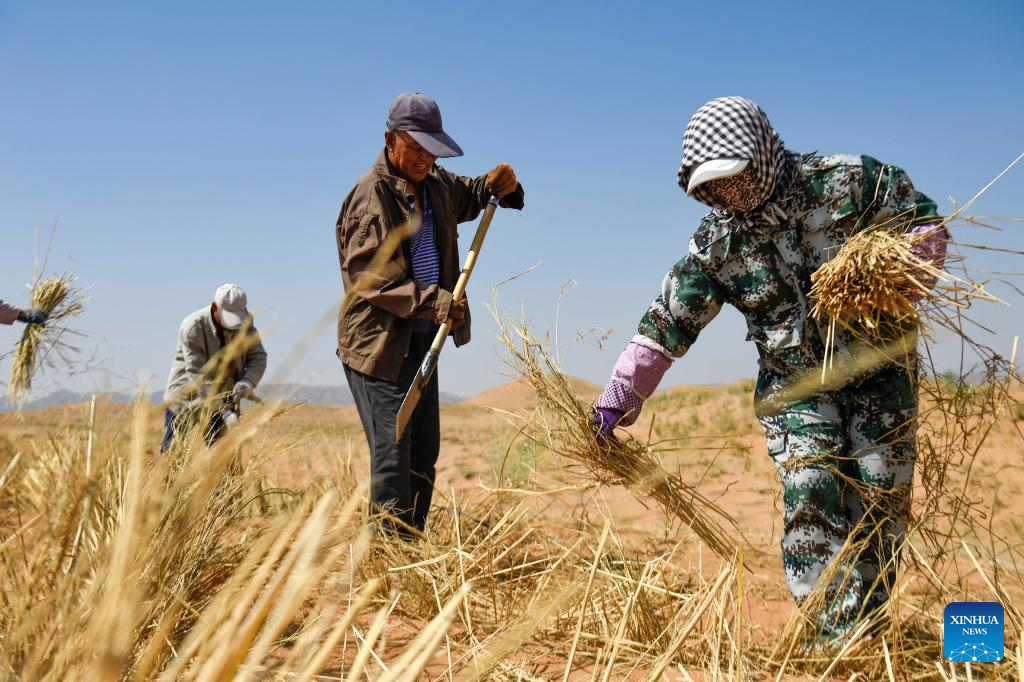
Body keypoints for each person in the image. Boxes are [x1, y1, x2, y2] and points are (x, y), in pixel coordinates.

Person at [592, 96, 948, 645]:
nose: (730, 193)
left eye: (736, 177)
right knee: (811, 493)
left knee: (880, 503)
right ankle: (829, 639)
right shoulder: (717, 244)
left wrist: (900, 272)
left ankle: (868, 632)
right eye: (714, 186)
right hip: (797, 390)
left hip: (881, 376)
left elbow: (923, 221)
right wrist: (622, 391)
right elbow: (668, 321)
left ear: (761, 153)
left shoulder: (850, 180)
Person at [335, 92, 524, 537]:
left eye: (431, 149)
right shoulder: (371, 197)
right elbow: (368, 278)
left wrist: (502, 183)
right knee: (393, 455)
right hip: (378, 347)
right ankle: (384, 561)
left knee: (423, 454)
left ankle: (410, 549)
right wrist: (437, 303)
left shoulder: (435, 184)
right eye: (415, 147)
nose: (424, 158)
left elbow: (476, 193)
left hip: (422, 340)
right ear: (390, 140)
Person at [162, 283, 267, 453]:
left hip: (224, 399)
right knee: (173, 455)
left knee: (224, 460)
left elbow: (258, 357)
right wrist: (224, 411)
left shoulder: (246, 326)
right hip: (186, 398)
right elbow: (198, 375)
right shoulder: (192, 327)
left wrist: (247, 382)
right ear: (214, 308)